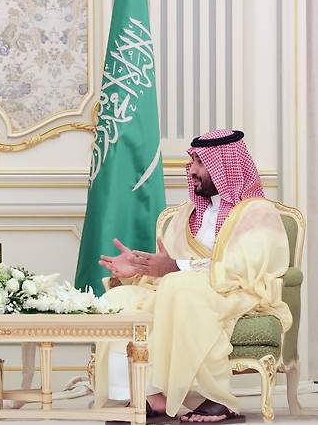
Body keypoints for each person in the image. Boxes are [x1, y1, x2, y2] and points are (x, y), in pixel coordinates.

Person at [97, 129, 291, 423]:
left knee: (181, 288)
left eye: (200, 162)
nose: (192, 170)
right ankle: (149, 395)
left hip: (236, 291)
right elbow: (168, 265)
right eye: (193, 162)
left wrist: (175, 268)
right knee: (119, 299)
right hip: (182, 286)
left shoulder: (257, 212)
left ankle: (217, 397)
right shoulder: (187, 215)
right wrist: (137, 270)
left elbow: (247, 265)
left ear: (223, 166)